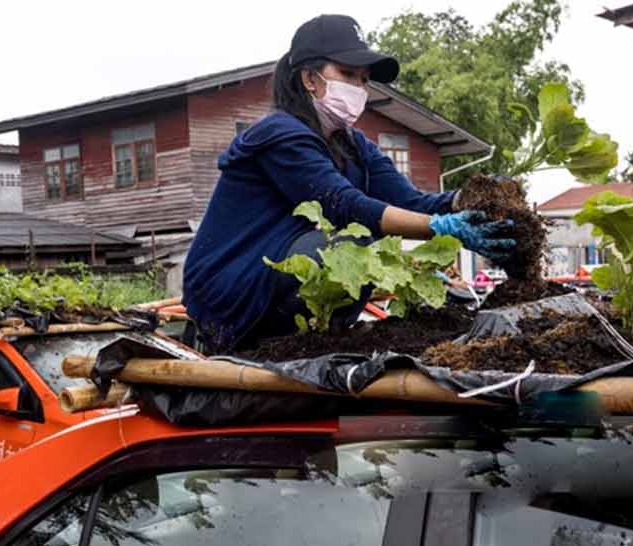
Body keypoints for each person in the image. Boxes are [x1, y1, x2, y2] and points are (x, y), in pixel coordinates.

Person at [183, 14, 515, 354]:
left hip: (277, 284)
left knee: (353, 241)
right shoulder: (279, 135)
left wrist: (468, 200)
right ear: (310, 78)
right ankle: (273, 347)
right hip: (233, 289)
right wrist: (441, 227)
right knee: (349, 243)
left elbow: (412, 202)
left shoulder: (353, 146)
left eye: (364, 80)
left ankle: (316, 341)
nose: (358, 88)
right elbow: (343, 205)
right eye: (347, 74)